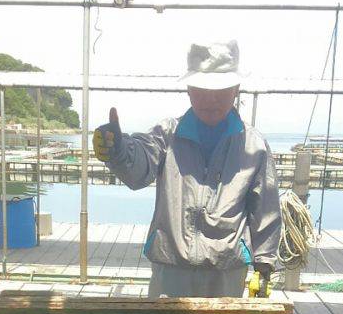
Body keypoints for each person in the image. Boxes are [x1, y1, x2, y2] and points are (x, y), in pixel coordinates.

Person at [93, 40, 281, 298]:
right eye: (202, 89)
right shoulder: (166, 135)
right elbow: (139, 169)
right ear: (189, 89)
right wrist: (119, 151)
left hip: (227, 272)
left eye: (221, 89)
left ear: (236, 89)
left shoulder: (254, 145)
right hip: (170, 268)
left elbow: (266, 208)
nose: (211, 99)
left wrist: (264, 263)